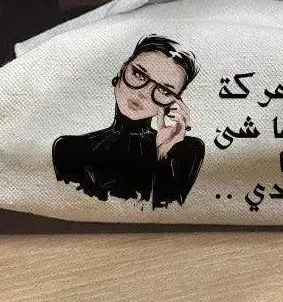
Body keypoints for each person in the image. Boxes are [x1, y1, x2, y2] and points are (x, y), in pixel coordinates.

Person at [52, 35, 205, 209]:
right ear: (123, 68)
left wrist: (162, 155)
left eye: (164, 90)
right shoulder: (68, 149)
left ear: (174, 101)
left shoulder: (187, 151)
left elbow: (168, 213)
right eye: (139, 74)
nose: (143, 93)